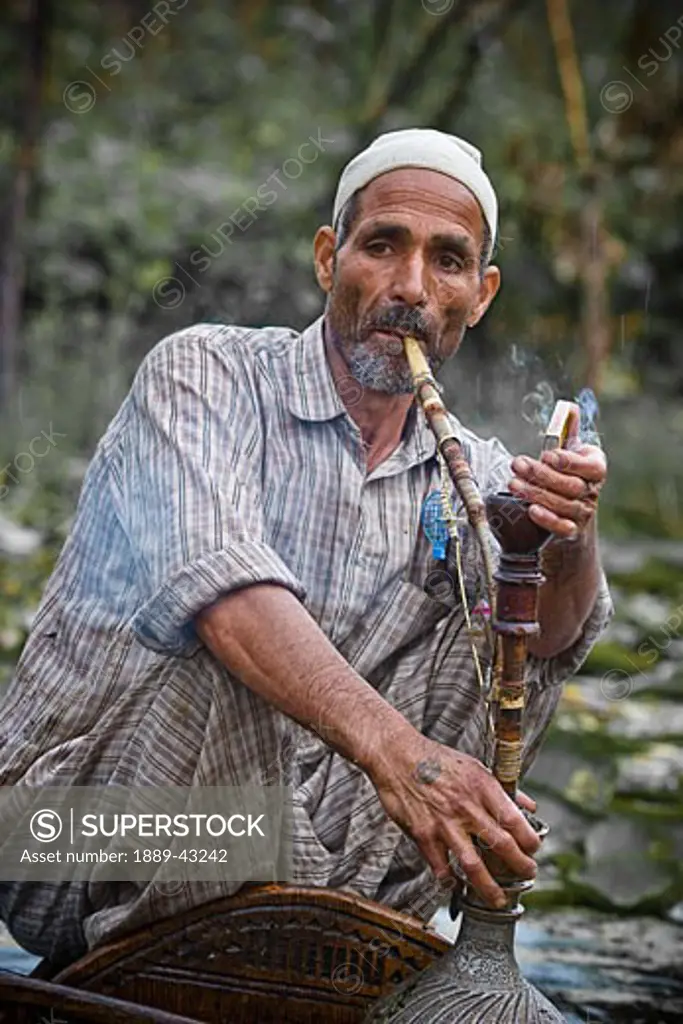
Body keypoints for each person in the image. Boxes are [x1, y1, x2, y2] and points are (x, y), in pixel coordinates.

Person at [0, 128, 611, 966]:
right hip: (62, 841)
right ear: (328, 259)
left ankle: (340, 942)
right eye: (382, 246)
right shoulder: (204, 375)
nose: (409, 290)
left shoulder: (473, 472)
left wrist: (569, 534)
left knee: (506, 616)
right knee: (229, 628)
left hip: (299, 864)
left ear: (480, 294)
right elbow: (224, 594)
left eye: (447, 262)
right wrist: (403, 757)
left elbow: (543, 644)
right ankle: (246, 945)